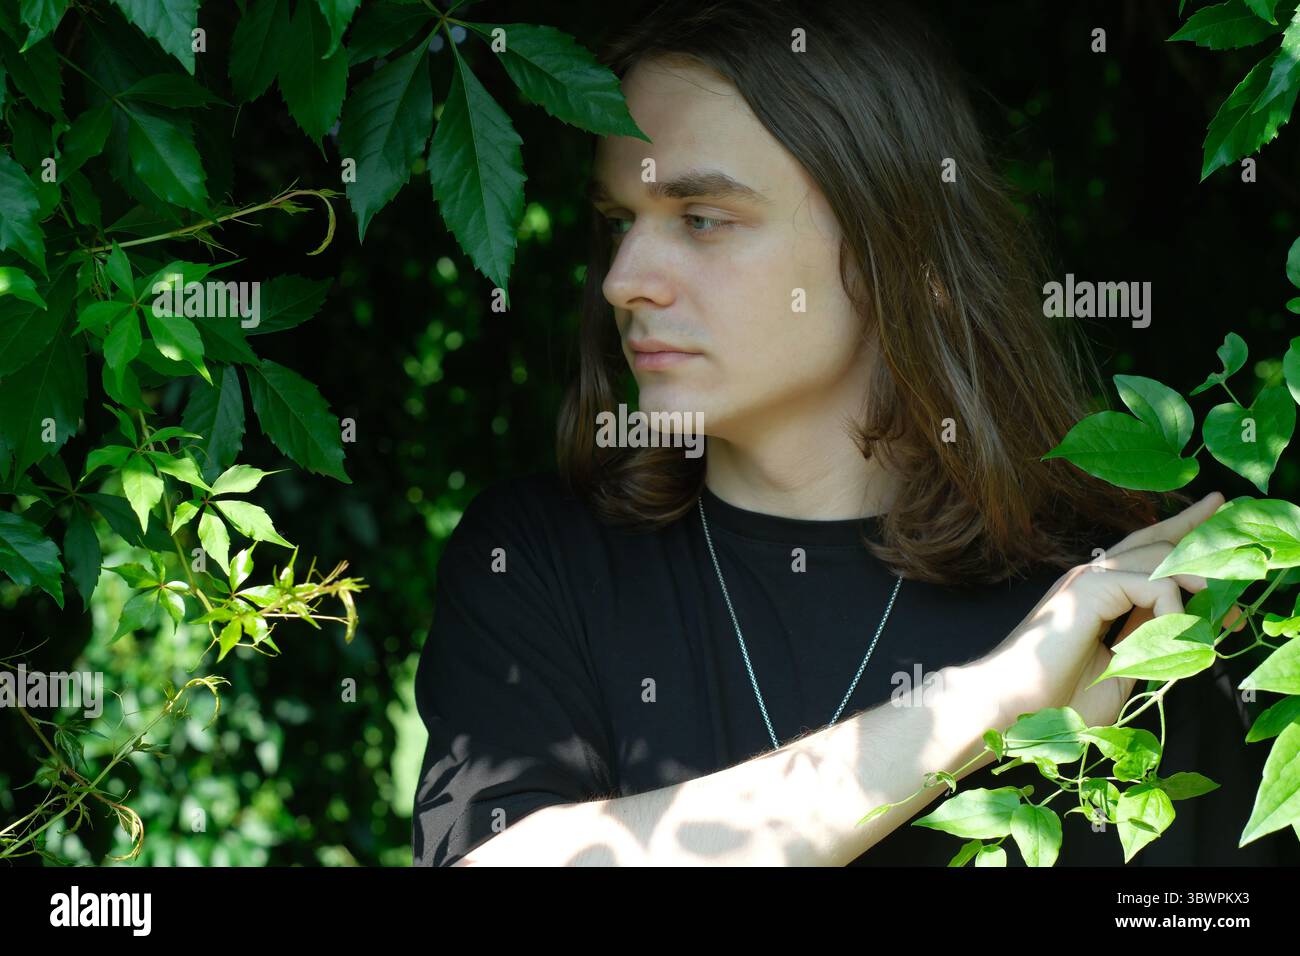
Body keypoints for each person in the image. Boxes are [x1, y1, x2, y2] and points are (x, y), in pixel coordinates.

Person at [412, 0, 1292, 866]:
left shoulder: (1137, 605)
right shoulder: (539, 560)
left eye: (702, 219)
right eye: (617, 224)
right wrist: (987, 703)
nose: (623, 281)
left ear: (890, 245)